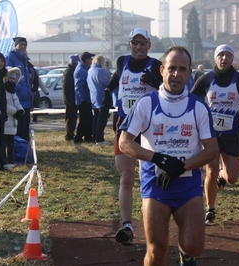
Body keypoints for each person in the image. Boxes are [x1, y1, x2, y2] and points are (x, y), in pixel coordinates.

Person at [119, 46, 218, 266]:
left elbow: (212, 150)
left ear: (190, 73)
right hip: (156, 186)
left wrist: (182, 166)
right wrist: (158, 159)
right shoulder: (146, 103)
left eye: (182, 69)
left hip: (188, 186)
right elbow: (124, 143)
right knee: (156, 250)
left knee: (194, 246)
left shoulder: (198, 107)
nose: (176, 74)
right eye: (172, 68)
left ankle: (186, 255)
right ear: (162, 70)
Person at [103, 27, 162, 246]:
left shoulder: (156, 65)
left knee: (149, 178)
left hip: (149, 128)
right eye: (135, 43)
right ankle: (127, 225)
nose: (138, 47)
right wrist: (108, 90)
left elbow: (168, 89)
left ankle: (154, 221)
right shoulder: (122, 61)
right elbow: (119, 76)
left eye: (143, 43)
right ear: (130, 44)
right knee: (126, 177)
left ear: (149, 45)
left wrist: (155, 82)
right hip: (125, 127)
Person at [190, 44, 239, 225]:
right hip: (210, 135)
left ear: (232, 59)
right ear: (215, 58)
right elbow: (190, 100)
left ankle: (222, 175)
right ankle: (210, 209)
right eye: (221, 55)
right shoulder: (206, 79)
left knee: (232, 178)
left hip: (232, 133)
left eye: (228, 55)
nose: (224, 59)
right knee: (209, 172)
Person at [6, 37, 33, 141]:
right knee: (19, 128)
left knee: (25, 126)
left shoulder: (24, 59)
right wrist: (18, 88)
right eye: (21, 44)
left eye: (25, 45)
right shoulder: (10, 57)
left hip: (26, 100)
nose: (23, 47)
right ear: (16, 45)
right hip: (17, 99)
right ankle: (18, 149)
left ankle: (25, 149)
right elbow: (9, 77)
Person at [3, 67, 24, 170]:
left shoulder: (13, 92)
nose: (11, 81)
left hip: (13, 123)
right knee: (4, 144)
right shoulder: (3, 91)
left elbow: (17, 103)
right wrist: (15, 111)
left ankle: (11, 161)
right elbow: (4, 106)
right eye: (10, 79)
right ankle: (3, 161)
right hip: (6, 122)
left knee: (11, 144)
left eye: (13, 79)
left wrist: (20, 110)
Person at [88, 55, 111, 144]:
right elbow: (108, 82)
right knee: (102, 119)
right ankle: (99, 139)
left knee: (96, 119)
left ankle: (94, 137)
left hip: (93, 97)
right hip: (101, 97)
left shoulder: (90, 71)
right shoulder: (101, 71)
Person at [74, 51, 95, 143]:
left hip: (86, 98)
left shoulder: (84, 69)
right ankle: (78, 137)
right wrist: (83, 99)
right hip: (83, 99)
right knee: (84, 119)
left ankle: (87, 136)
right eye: (90, 59)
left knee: (89, 118)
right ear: (86, 60)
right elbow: (79, 86)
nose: (91, 61)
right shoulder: (80, 70)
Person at [63, 54, 80, 141]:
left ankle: (70, 133)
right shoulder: (69, 71)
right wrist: (69, 99)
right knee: (70, 117)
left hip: (73, 98)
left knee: (73, 117)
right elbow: (66, 87)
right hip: (70, 99)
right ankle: (69, 134)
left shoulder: (71, 70)